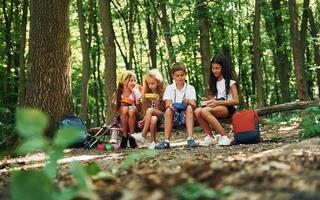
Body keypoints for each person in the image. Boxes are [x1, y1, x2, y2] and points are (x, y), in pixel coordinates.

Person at [194, 53, 239, 146]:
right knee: (197, 111)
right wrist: (208, 101)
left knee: (204, 111)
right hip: (218, 106)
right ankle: (210, 136)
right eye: (213, 68)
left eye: (217, 68)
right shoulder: (213, 82)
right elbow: (213, 99)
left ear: (224, 68)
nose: (215, 71)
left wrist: (217, 102)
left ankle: (224, 136)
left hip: (228, 107)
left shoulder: (231, 82)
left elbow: (236, 101)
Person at [155, 62, 197, 149]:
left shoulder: (190, 88)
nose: (180, 77)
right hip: (173, 115)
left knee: (189, 107)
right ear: (173, 76)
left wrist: (188, 101)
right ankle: (166, 141)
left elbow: (194, 104)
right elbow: (167, 104)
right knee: (168, 110)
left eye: (182, 75)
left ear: (185, 75)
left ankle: (190, 138)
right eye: (177, 76)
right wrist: (171, 106)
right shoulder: (170, 88)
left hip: (186, 115)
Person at [131, 69, 165, 149]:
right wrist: (139, 104)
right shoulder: (146, 93)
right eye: (149, 83)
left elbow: (162, 109)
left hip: (162, 115)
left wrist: (157, 103)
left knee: (150, 110)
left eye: (153, 83)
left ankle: (143, 135)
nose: (151, 86)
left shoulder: (163, 92)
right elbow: (144, 110)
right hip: (151, 117)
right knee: (152, 119)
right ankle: (153, 143)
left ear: (158, 82)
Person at [112, 70, 142, 149]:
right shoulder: (118, 94)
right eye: (131, 81)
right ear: (123, 81)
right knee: (125, 108)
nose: (133, 83)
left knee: (131, 110)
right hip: (123, 118)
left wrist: (138, 104)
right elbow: (116, 110)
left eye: (134, 81)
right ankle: (125, 136)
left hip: (135, 118)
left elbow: (140, 110)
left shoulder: (136, 93)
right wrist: (121, 106)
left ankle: (132, 136)